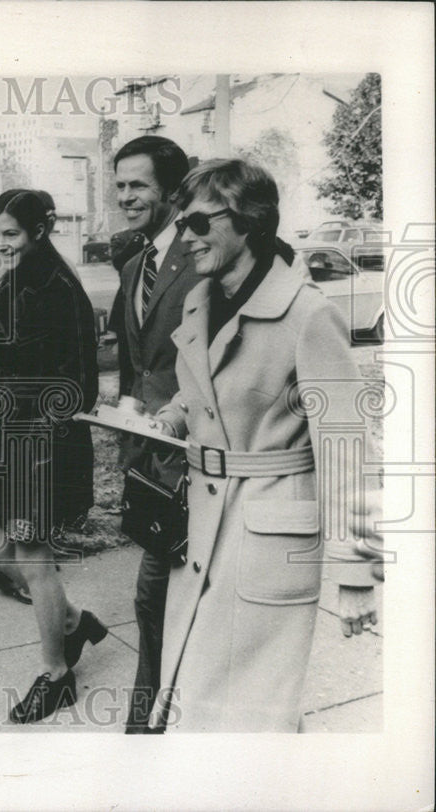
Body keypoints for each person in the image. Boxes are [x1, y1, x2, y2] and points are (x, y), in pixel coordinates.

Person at [147, 159, 382, 732]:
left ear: (250, 221)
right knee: (209, 711)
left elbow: (348, 449)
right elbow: (204, 388)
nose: (188, 236)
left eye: (202, 222)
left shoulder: (307, 315)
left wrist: (354, 570)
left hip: (268, 536)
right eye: (182, 224)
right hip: (202, 523)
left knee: (246, 717)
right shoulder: (202, 299)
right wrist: (174, 416)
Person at [0, 190, 106, 724]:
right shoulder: (15, 278)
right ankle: (75, 623)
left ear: (39, 229)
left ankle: (57, 676)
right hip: (7, 434)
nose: (0, 244)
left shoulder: (58, 286)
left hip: (40, 444)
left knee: (33, 558)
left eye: (10, 234)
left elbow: (82, 383)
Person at [107, 135, 200, 733]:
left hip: (196, 456)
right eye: (119, 186)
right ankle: (152, 718)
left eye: (137, 185)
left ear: (172, 188)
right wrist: (121, 415)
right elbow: (134, 362)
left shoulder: (204, 257)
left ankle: (150, 722)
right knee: (156, 595)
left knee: (161, 595)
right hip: (149, 457)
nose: (125, 197)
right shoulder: (136, 263)